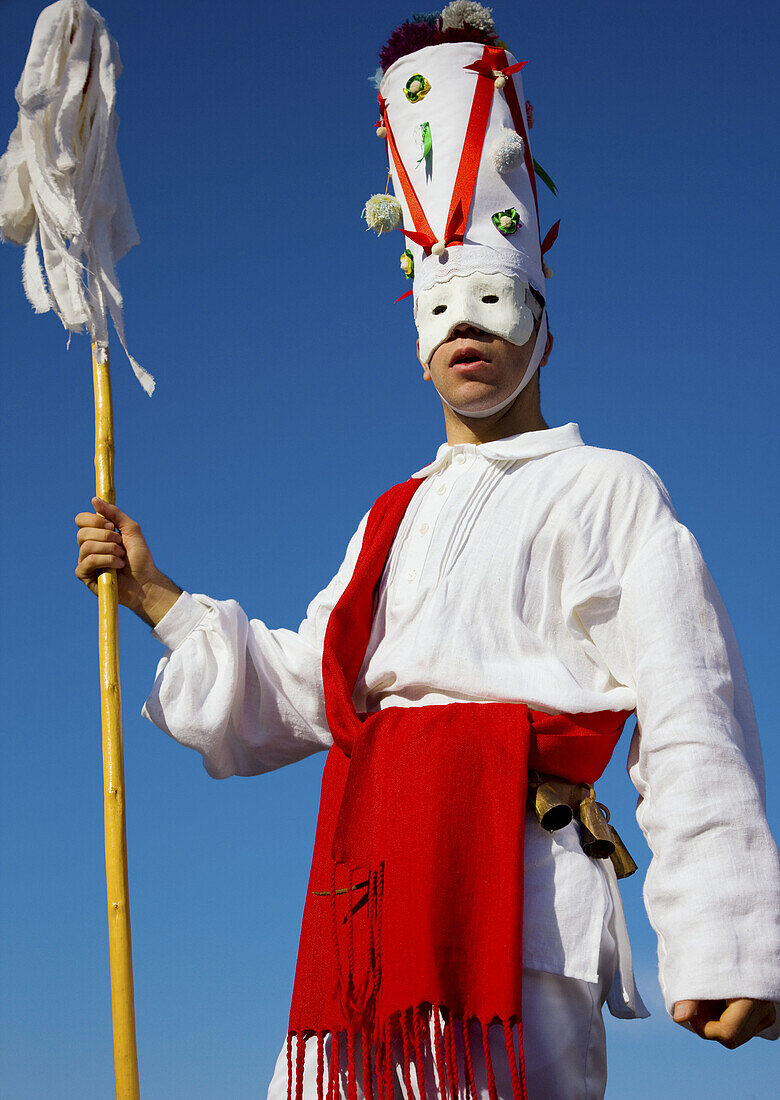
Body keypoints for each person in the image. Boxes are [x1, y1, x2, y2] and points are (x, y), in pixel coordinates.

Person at [75, 6, 779, 1099]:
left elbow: (693, 706)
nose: (471, 329)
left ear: (541, 328)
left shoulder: (613, 489)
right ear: (417, 339)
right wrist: (157, 593)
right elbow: (312, 689)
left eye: (495, 305)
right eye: (445, 307)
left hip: (524, 904)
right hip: (373, 908)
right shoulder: (390, 516)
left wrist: (727, 929)